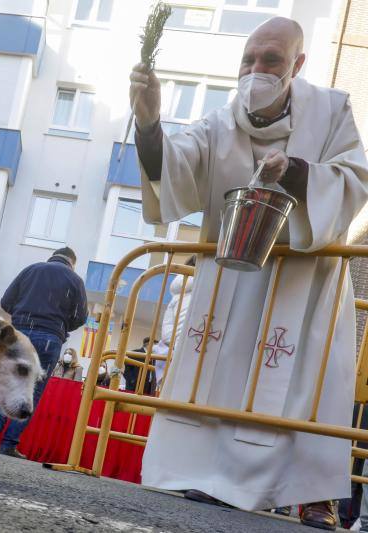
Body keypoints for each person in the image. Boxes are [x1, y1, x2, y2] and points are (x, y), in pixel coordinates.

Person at [130, 16, 368, 527]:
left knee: (305, 385)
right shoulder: (220, 121)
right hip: (232, 278)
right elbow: (174, 168)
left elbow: (354, 179)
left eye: (272, 60)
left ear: (298, 64)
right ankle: (206, 475)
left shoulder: (330, 111)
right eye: (249, 60)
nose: (256, 70)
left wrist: (301, 172)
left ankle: (313, 496)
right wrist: (149, 125)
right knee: (220, 374)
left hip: (302, 283)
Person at [0, 248, 88, 458]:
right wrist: (61, 325)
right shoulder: (74, 280)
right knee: (33, 391)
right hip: (50, 338)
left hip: (20, 333)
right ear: (72, 263)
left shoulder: (31, 270)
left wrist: (23, 316)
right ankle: (9, 443)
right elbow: (81, 317)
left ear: (53, 256)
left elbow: (6, 302)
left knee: (10, 380)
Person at [152, 256, 195, 388]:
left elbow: (170, 333)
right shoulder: (198, 290)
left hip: (173, 355)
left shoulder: (179, 294)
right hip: (185, 357)